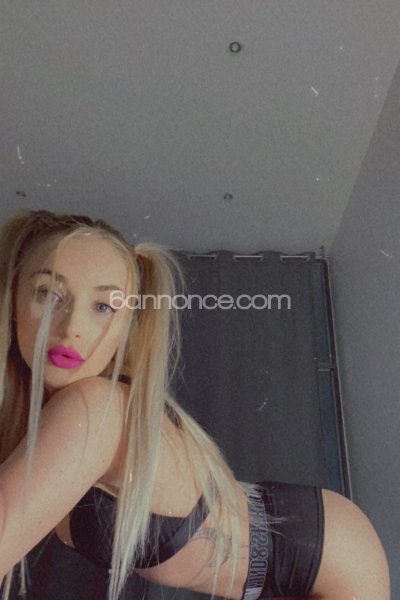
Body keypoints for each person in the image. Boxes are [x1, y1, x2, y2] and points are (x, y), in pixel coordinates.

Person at [0, 209, 391, 600]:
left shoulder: (94, 407)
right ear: (12, 301)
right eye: (48, 294)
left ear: (126, 327)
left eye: (103, 306)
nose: (70, 327)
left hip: (326, 560)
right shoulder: (54, 418)